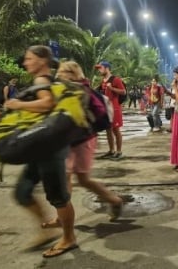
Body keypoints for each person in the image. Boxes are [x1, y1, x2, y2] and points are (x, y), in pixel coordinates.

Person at [6, 45, 77, 258]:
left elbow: (47, 104)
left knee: (58, 197)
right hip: (40, 147)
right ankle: (46, 231)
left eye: (29, 59)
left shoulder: (41, 80)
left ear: (42, 60)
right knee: (22, 192)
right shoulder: (47, 80)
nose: (25, 62)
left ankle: (69, 238)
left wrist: (17, 104)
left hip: (50, 149)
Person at [41, 61, 124, 230]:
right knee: (72, 179)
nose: (59, 73)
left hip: (82, 141)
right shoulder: (67, 89)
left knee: (77, 179)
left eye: (64, 71)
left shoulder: (79, 91)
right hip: (71, 140)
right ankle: (63, 217)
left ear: (72, 74)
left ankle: (113, 201)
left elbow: (84, 116)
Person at [95, 61, 126, 160]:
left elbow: (123, 92)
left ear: (107, 68)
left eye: (101, 68)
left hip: (115, 108)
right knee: (108, 129)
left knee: (116, 130)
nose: (99, 70)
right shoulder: (103, 80)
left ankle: (119, 151)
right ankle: (111, 150)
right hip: (106, 108)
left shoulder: (116, 79)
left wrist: (112, 88)